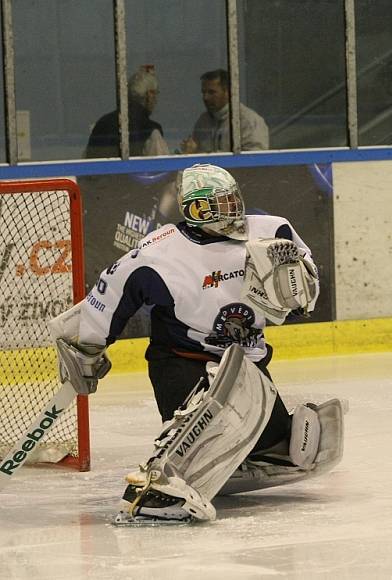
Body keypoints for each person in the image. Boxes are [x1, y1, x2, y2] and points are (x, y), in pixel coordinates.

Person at [49, 163, 343, 524]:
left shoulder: (272, 230)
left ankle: (245, 451)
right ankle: (157, 483)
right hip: (181, 362)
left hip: (247, 365)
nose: (231, 211)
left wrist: (300, 292)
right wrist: (88, 345)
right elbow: (110, 296)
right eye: (217, 204)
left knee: (285, 447)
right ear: (194, 209)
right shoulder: (160, 253)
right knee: (203, 419)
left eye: (232, 200)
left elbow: (305, 284)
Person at [85, 65, 169, 158]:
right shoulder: (151, 131)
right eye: (156, 93)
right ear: (150, 95)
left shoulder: (102, 123)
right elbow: (162, 168)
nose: (156, 101)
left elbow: (86, 160)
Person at [180, 69, 269, 153]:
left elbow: (253, 161)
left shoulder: (248, 121)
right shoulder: (203, 121)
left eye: (211, 92)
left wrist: (199, 153)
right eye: (203, 92)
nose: (205, 98)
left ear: (228, 92)